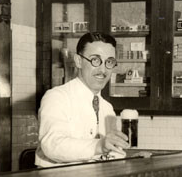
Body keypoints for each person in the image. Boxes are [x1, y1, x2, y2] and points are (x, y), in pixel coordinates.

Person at [35, 32, 129, 167]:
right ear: (78, 61)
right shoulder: (57, 97)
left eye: (109, 62)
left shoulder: (107, 107)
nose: (103, 69)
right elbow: (52, 145)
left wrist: (127, 159)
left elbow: (111, 150)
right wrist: (99, 145)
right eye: (95, 60)